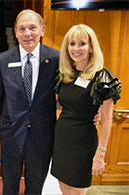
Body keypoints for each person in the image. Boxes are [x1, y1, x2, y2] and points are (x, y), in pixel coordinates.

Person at [0, 9, 60, 194]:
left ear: (42, 30)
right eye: (22, 29)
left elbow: (65, 95)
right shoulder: (1, 61)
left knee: (35, 188)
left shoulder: (56, 59)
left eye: (32, 28)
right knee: (9, 188)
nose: (27, 34)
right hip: (10, 135)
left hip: (42, 137)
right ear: (15, 32)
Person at [51, 24, 121, 195]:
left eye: (82, 43)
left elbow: (107, 120)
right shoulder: (66, 75)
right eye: (72, 43)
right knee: (63, 187)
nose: (76, 48)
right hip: (62, 140)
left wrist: (100, 154)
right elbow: (66, 104)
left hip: (82, 144)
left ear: (91, 48)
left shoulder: (102, 77)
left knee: (76, 189)